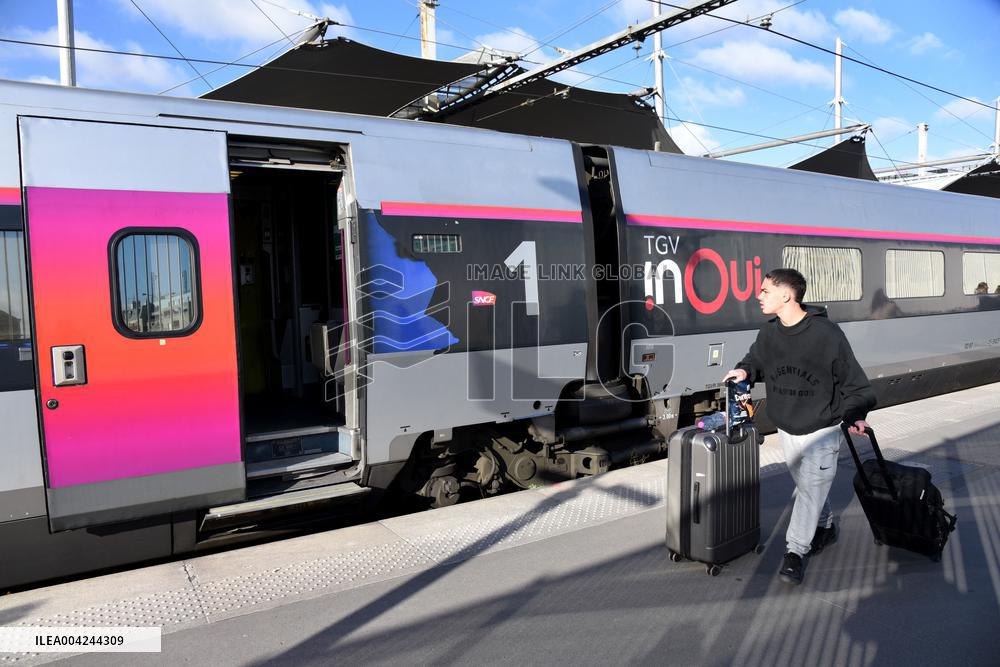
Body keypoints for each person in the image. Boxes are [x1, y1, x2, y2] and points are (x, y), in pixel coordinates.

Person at [724, 268, 876, 586]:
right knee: (809, 487)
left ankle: (795, 552)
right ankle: (826, 528)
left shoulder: (827, 335)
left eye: (765, 290)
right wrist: (743, 372)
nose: (759, 295)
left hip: (822, 428)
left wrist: (857, 412)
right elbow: (756, 360)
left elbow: (854, 382)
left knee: (808, 492)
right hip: (787, 427)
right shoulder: (769, 334)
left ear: (786, 295)